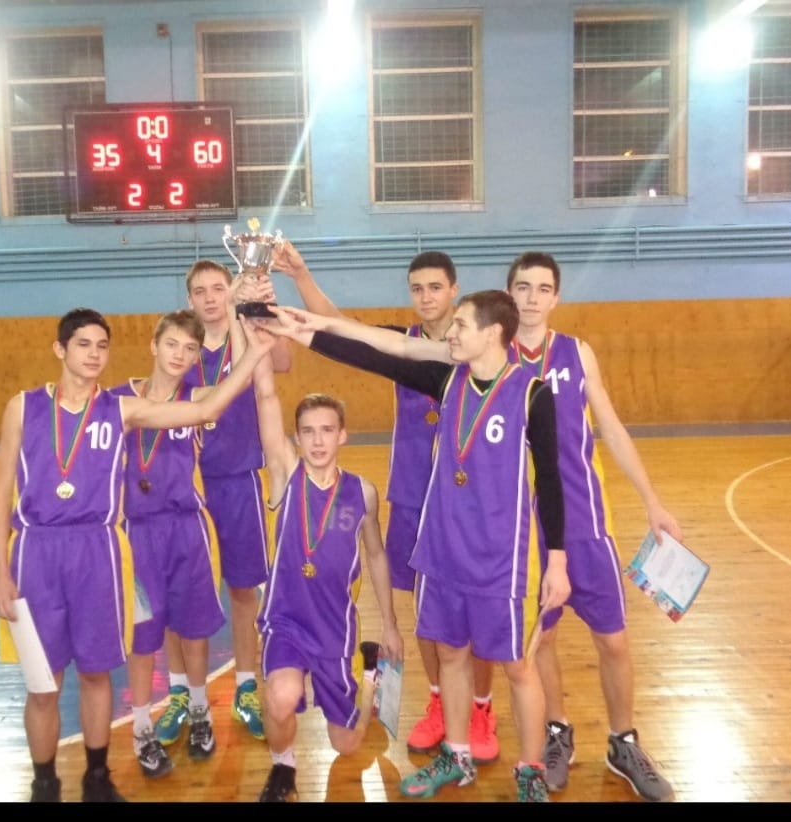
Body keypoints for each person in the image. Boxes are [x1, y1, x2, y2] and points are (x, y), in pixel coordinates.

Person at [259, 290, 569, 802]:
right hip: (443, 553)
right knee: (450, 655)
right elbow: (380, 354)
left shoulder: (532, 394)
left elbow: (552, 480)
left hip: (500, 560)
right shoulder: (448, 381)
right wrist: (308, 333)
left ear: (493, 332)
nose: (451, 333)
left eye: (461, 325)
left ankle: (531, 768)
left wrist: (556, 559)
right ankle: (457, 754)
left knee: (518, 666)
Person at [0, 307, 271, 803]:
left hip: (97, 548)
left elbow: (204, 409)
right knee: (43, 684)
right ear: (59, 349)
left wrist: (257, 352)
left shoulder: (119, 409)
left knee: (96, 672)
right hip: (36, 553)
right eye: (83, 344)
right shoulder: (23, 407)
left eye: (102, 346)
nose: (94, 354)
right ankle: (44, 786)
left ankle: (97, 780)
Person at [272, 242, 500, 764]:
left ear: (454, 290)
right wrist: (301, 275)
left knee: (470, 611)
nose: (426, 296)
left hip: (466, 502)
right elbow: (338, 328)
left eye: (435, 287)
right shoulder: (402, 343)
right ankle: (440, 703)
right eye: (417, 288)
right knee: (428, 613)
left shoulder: (474, 350)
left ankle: (481, 708)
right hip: (413, 496)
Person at [504, 251, 681, 802]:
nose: (532, 298)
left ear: (556, 297)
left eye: (543, 288)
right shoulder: (493, 353)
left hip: (584, 521)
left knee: (614, 640)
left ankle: (623, 742)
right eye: (523, 287)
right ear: (508, 294)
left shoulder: (577, 353)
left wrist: (652, 500)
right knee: (541, 638)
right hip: (523, 529)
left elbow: (611, 427)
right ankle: (557, 730)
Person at [241, 318, 404, 803]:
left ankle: (370, 672)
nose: (316, 441)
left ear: (343, 435)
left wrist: (391, 625)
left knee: (346, 745)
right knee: (281, 697)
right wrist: (259, 346)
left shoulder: (362, 493)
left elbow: (376, 555)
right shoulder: (286, 476)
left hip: (336, 627)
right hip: (287, 621)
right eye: (307, 431)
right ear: (296, 438)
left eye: (327, 431)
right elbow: (266, 399)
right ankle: (283, 768)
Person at [151, 259, 292, 749]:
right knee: (174, 592)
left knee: (243, 589)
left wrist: (260, 308)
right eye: (201, 291)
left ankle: (246, 687)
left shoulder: (246, 331)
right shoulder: (181, 349)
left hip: (236, 479)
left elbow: (282, 362)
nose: (210, 297)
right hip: (183, 484)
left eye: (218, 288)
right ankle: (179, 693)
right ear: (189, 298)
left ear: (229, 293)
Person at [110, 309, 229, 779]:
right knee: (142, 639)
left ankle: (200, 712)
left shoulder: (196, 398)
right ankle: (142, 730)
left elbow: (232, 390)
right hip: (137, 535)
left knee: (194, 630)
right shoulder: (116, 401)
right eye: (172, 344)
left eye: (191, 348)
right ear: (153, 345)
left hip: (186, 531)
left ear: (198, 356)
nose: (180, 355)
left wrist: (247, 332)